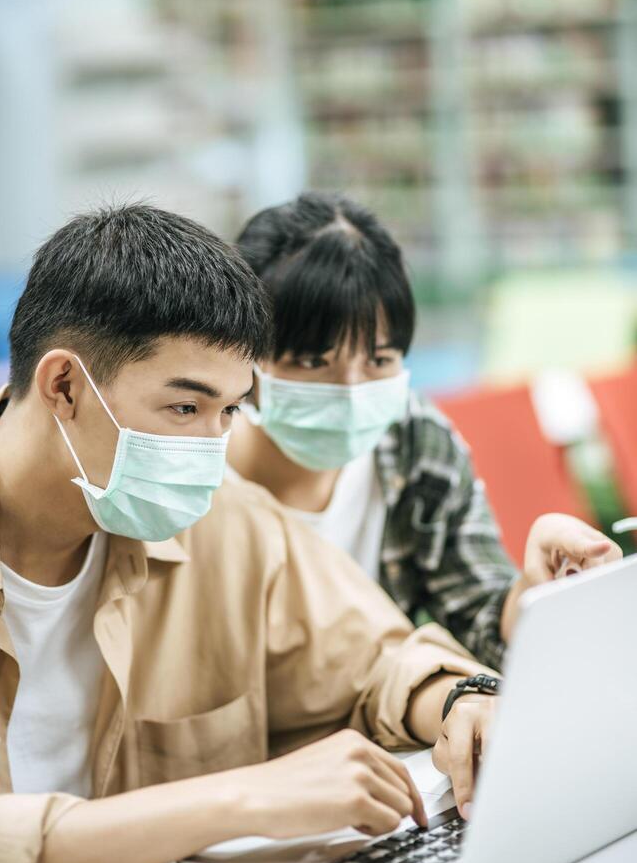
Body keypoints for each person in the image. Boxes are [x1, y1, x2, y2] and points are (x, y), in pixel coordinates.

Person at [0, 205, 504, 863]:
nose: (211, 447)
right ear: (65, 387)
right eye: (186, 405)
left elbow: (377, 660)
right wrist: (239, 800)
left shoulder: (226, 522)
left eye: (229, 411)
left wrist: (461, 704)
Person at [228, 192, 621, 670]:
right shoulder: (189, 477)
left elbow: (479, 615)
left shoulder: (415, 442)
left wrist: (536, 591)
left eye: (378, 359)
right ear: (243, 357)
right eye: (314, 361)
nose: (352, 390)